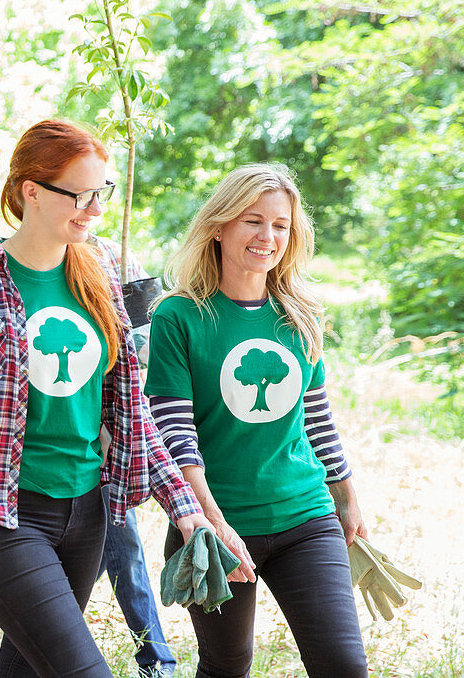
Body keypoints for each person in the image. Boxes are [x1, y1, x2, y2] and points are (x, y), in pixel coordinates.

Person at [0, 119, 210, 678]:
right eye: (80, 195)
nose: (95, 209)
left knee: (31, 669)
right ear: (31, 191)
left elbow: (130, 411)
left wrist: (185, 506)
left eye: (100, 193)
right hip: (6, 517)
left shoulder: (100, 272)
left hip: (88, 514)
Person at [145, 162, 368, 677]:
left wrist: (347, 496)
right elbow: (175, 434)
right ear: (221, 224)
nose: (267, 236)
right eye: (252, 220)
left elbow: (316, 418)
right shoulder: (177, 316)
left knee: (343, 665)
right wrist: (216, 525)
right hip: (213, 523)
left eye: (280, 225)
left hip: (305, 518)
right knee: (226, 665)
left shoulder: (299, 314)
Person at [95, 250, 176, 678]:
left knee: (124, 551)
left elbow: (147, 343)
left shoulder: (116, 255)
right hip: (59, 447)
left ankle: (157, 658)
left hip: (114, 440)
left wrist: (130, 316)